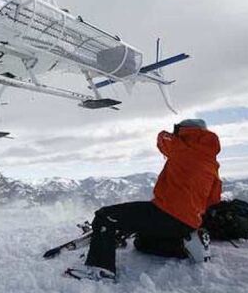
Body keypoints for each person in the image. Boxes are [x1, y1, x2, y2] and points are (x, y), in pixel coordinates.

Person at [65, 119, 222, 282]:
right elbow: (213, 199)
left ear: (185, 131)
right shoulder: (212, 164)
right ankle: (184, 244)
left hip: (165, 212)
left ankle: (101, 269)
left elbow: (162, 138)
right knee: (142, 243)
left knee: (105, 216)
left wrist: (177, 135)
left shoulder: (181, 148)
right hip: (188, 223)